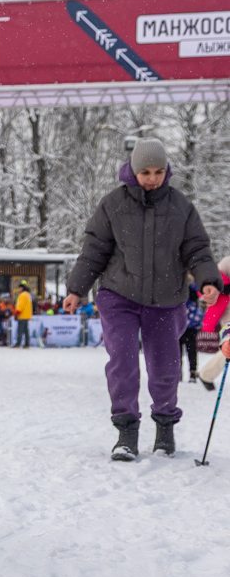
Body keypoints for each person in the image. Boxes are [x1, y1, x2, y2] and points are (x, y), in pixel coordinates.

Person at [63, 137, 221, 461]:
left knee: (165, 366)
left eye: (158, 171)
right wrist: (76, 289)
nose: (152, 178)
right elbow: (94, 251)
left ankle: (165, 427)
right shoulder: (113, 205)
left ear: (166, 171)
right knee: (122, 361)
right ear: (133, 171)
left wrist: (207, 280)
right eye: (145, 171)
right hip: (119, 294)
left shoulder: (180, 207)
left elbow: (197, 249)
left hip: (166, 298)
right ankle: (126, 432)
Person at [197, 257, 230, 390]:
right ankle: (206, 374)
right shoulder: (227, 262)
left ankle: (206, 374)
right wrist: (224, 287)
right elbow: (208, 285)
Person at [180, 283, 204, 383]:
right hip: (183, 323)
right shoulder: (184, 289)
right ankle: (180, 372)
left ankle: (192, 371)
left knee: (191, 349)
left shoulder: (194, 289)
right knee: (181, 350)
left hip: (190, 325)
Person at [13, 281, 32, 348]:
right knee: (25, 330)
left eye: (19, 288)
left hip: (22, 315)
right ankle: (27, 343)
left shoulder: (22, 295)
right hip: (27, 315)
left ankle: (18, 343)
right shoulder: (28, 294)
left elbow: (20, 305)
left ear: (21, 288)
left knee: (20, 330)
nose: (18, 289)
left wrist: (16, 313)